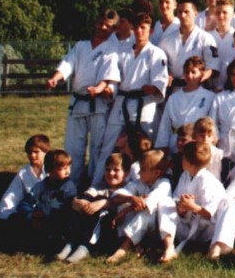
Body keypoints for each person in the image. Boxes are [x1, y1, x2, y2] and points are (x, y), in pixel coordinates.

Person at [46, 10, 120, 187]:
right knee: (73, 146)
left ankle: (95, 184)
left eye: (108, 26)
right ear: (95, 23)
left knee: (97, 147)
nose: (103, 28)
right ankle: (71, 184)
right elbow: (67, 64)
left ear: (113, 29)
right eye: (101, 23)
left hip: (98, 103)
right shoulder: (81, 46)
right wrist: (55, 78)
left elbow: (108, 75)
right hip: (78, 102)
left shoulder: (112, 50)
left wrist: (99, 88)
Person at [95, 12, 168, 186]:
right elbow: (113, 77)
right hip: (122, 102)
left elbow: (160, 81)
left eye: (143, 28)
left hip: (145, 104)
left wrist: (154, 87)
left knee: (148, 148)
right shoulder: (122, 52)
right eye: (136, 28)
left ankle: (150, 184)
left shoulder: (156, 53)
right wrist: (110, 89)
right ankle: (96, 184)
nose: (139, 31)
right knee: (108, 146)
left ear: (150, 31)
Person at [158, 141, 235, 263]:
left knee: (229, 202)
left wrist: (192, 206)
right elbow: (176, 202)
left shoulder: (208, 180)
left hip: (206, 230)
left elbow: (209, 213)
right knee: (165, 201)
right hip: (186, 226)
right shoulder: (185, 176)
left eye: (183, 157)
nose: (181, 160)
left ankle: (216, 248)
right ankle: (169, 247)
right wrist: (182, 208)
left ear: (188, 162)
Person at [106, 150, 173, 264]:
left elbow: (147, 204)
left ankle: (125, 246)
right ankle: (135, 244)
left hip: (158, 228)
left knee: (148, 211)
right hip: (142, 227)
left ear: (156, 173)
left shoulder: (164, 184)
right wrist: (131, 198)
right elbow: (116, 196)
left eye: (143, 170)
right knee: (124, 202)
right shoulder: (139, 182)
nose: (138, 173)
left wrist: (125, 211)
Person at [65, 152, 130, 263]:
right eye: (108, 170)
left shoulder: (128, 189)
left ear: (126, 173)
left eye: (116, 170)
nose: (111, 173)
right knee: (82, 205)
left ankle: (86, 246)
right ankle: (71, 242)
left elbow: (117, 204)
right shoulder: (101, 187)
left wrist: (103, 203)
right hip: (92, 228)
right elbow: (86, 195)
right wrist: (82, 203)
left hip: (112, 232)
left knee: (102, 209)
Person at [20, 149, 77, 259]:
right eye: (62, 168)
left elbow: (68, 208)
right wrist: (31, 215)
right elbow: (25, 203)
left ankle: (53, 245)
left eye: (69, 167)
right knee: (17, 220)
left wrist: (47, 215)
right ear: (49, 170)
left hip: (58, 223)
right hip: (39, 220)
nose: (67, 172)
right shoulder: (40, 187)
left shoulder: (69, 187)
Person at [155, 56, 215, 154]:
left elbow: (212, 124)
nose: (189, 76)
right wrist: (162, 147)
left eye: (193, 72)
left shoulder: (210, 96)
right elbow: (165, 125)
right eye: (187, 72)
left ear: (201, 74)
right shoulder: (173, 97)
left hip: (198, 143)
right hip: (177, 142)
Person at [158, 0, 218, 92]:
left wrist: (203, 76)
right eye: (180, 12)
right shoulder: (167, 40)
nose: (183, 15)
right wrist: (166, 74)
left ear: (195, 14)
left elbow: (212, 65)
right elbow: (160, 64)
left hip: (199, 88)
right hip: (175, 89)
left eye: (186, 12)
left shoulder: (206, 38)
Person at [0, 134, 50, 224]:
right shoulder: (24, 173)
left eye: (36, 152)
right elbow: (13, 194)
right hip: (32, 206)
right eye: (29, 152)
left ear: (46, 152)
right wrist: (5, 213)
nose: (32, 155)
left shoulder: (52, 170)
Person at [209, 0, 235, 91]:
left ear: (233, 14)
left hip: (232, 88)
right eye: (218, 13)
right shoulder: (207, 37)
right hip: (210, 88)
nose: (221, 16)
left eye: (225, 13)